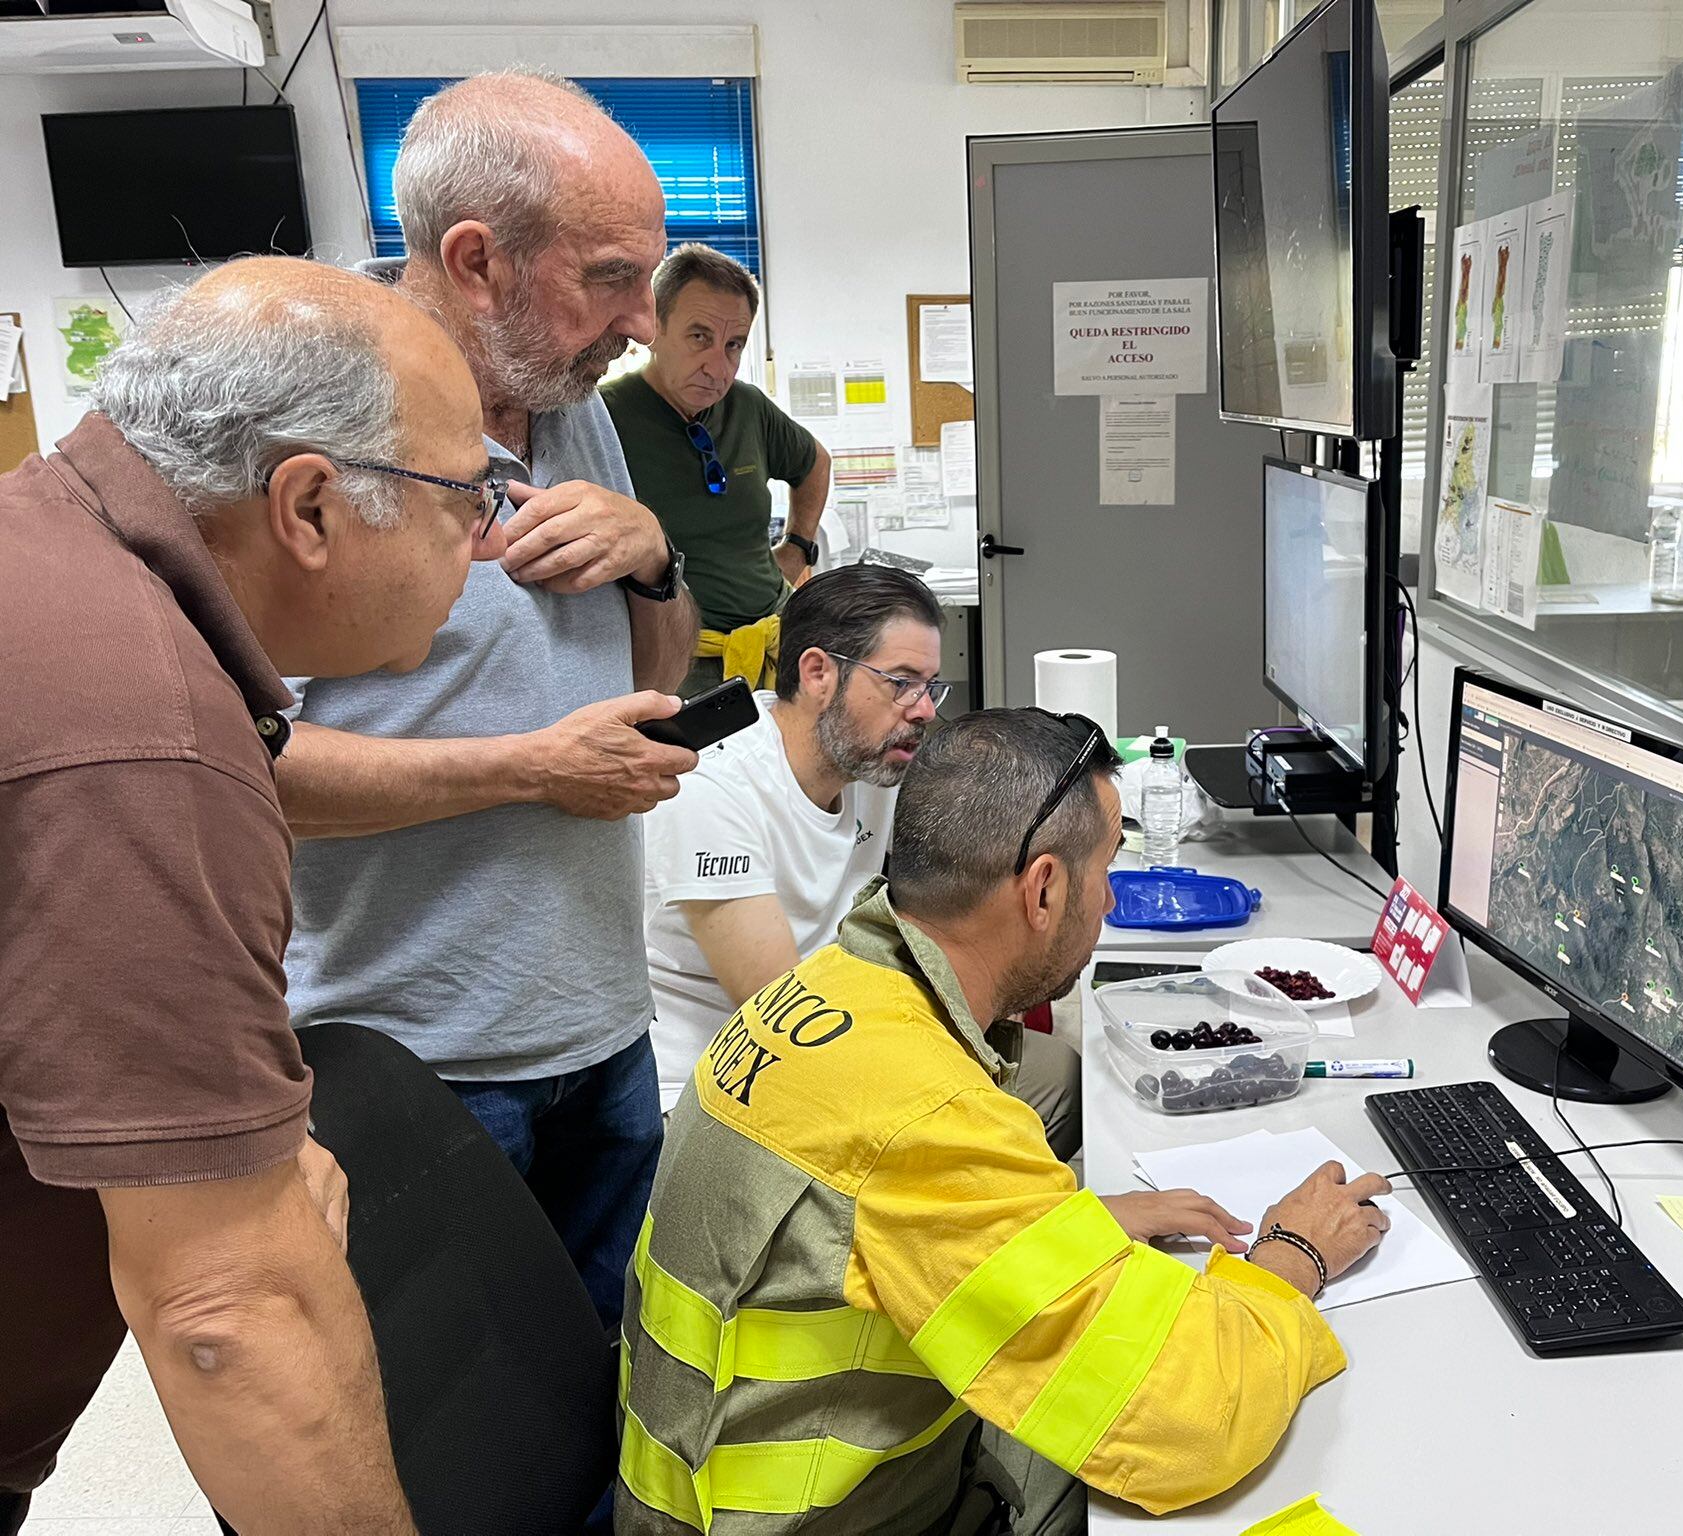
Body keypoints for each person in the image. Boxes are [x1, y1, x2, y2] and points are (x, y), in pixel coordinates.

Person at [0, 255, 504, 1534]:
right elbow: (226, 1310)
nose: (486, 538)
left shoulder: (47, 554)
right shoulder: (139, 726)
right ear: (311, 507)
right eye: (466, 495)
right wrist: (248, 1216)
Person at [617, 710, 1394, 1534]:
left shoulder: (835, 986)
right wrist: (1291, 1256)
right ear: (1045, 888)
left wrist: (1067, 1225)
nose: (1108, 900)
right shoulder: (924, 1114)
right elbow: (1192, 1422)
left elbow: (865, 1225)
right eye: (1108, 870)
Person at [276, 70, 699, 1333]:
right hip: (415, 1060)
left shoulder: (577, 409)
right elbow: (248, 769)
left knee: (606, 1401)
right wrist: (530, 768)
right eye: (611, 277)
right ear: (475, 261)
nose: (643, 320)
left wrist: (655, 556)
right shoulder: (311, 431)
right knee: (462, 1440)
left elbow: (653, 680)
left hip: (600, 1026)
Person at [641, 566, 1082, 1150]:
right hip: (732, 1090)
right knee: (989, 1129)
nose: (924, 710)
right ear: (819, 672)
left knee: (1061, 1077)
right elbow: (783, 1010)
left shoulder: (870, 759)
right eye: (901, 682)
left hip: (837, 1037)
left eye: (930, 685)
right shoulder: (714, 787)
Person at [601, 242, 830, 697]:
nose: (718, 367)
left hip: (773, 641)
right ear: (654, 327)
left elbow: (814, 462)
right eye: (699, 337)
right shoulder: (605, 417)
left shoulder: (746, 406)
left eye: (734, 345)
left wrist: (799, 546)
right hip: (679, 665)